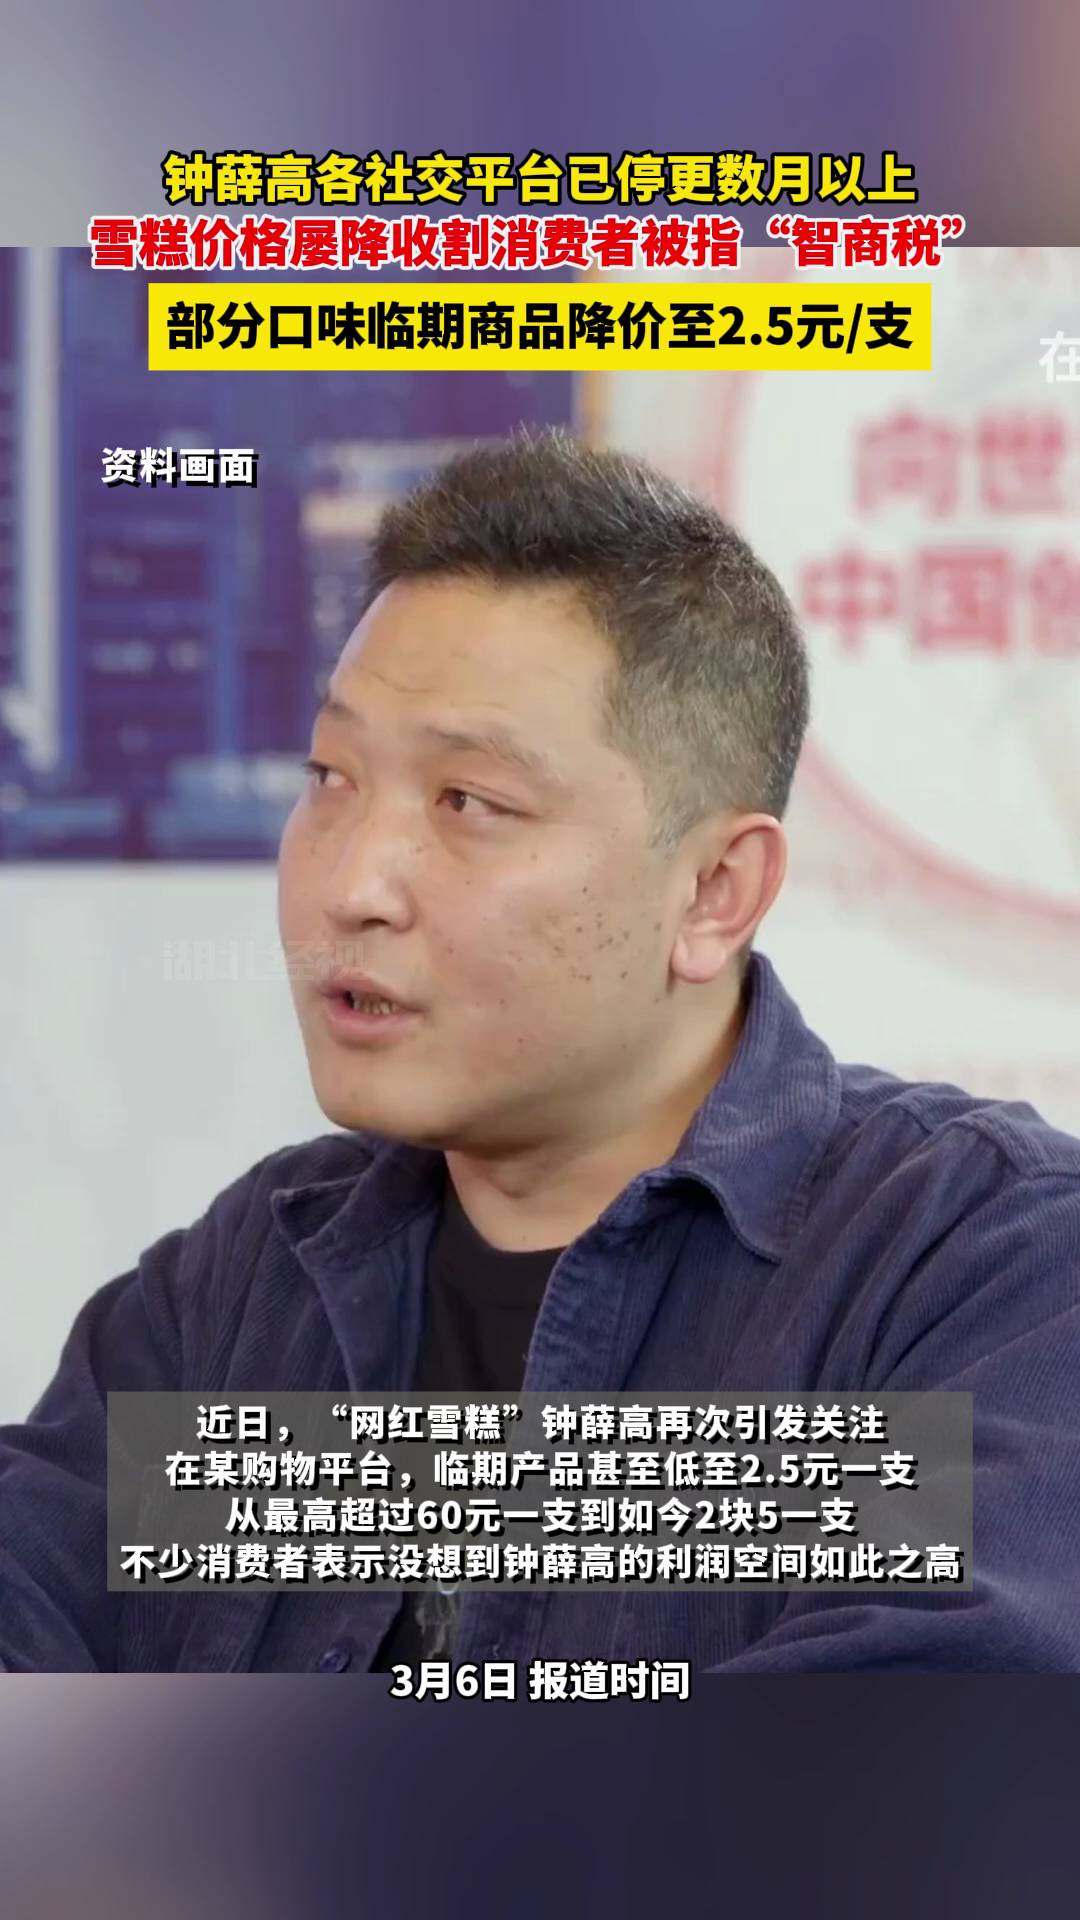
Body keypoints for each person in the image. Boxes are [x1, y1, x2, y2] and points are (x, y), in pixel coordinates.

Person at [3, 426, 1079, 1674]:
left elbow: (889, 1752)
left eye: (470, 802)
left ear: (715, 892)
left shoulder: (983, 1267)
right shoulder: (243, 1284)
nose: (352, 886)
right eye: (330, 776)